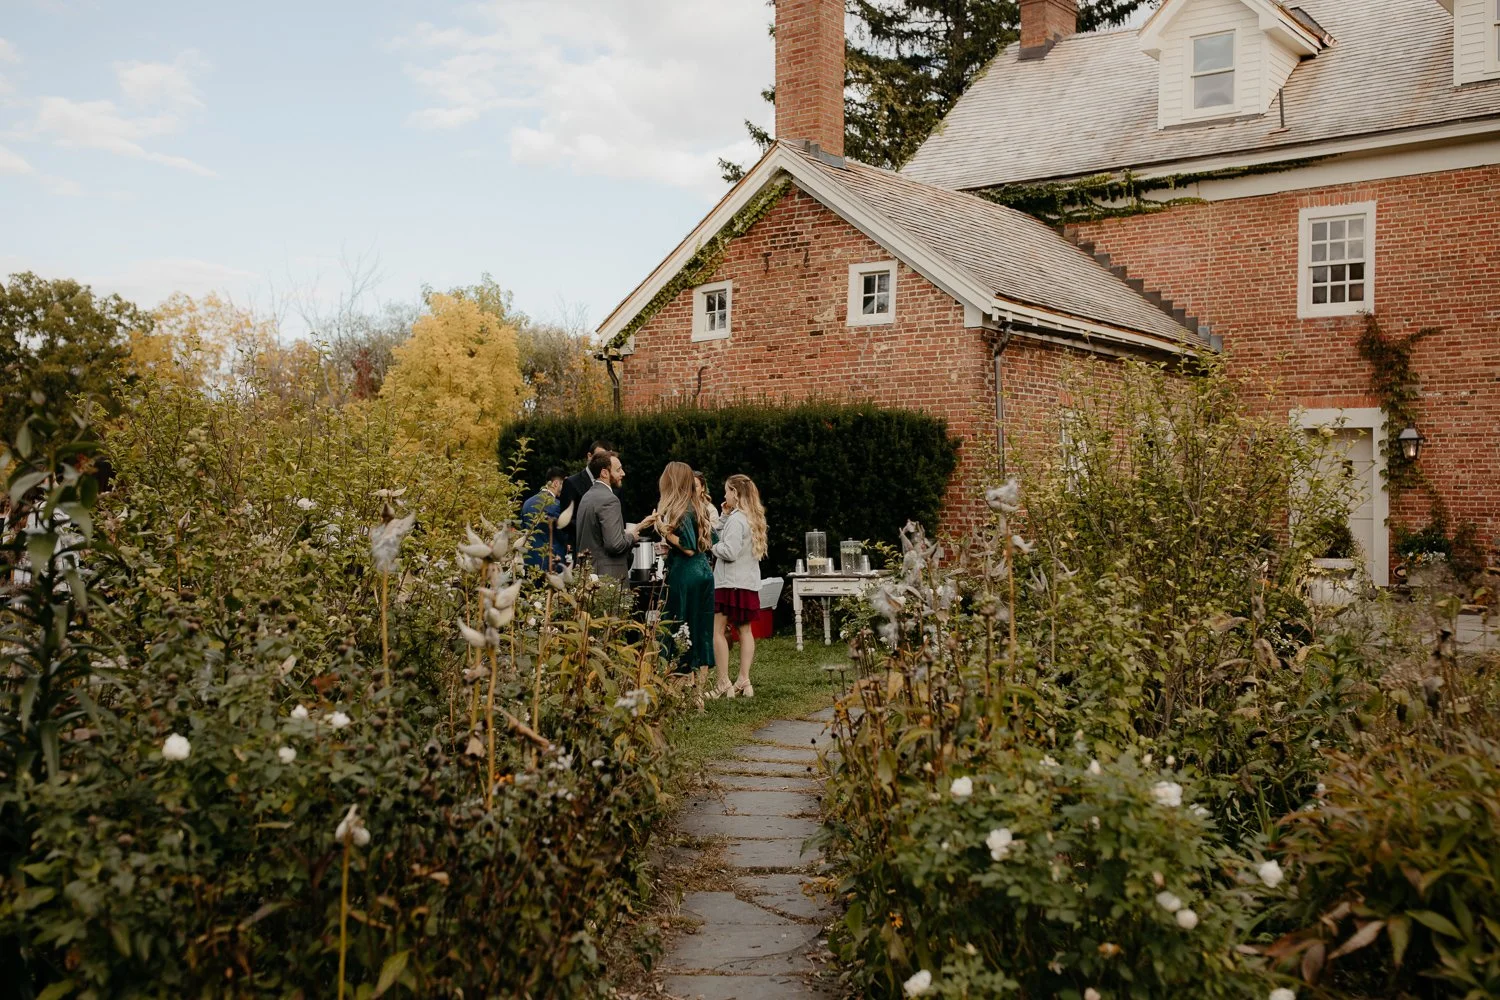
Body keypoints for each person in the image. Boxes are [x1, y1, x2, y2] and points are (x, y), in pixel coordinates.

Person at [652, 462, 716, 682]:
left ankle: (677, 680)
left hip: (686, 574)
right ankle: (697, 690)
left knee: (678, 624)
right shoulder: (696, 505)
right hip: (703, 572)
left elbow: (688, 547)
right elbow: (709, 540)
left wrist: (664, 531)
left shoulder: (681, 509)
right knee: (701, 628)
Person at [711, 474, 768, 698]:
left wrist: (711, 547)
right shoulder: (750, 517)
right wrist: (724, 516)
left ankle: (723, 682)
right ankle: (744, 679)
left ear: (735, 493)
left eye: (727, 491)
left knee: (717, 631)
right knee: (745, 631)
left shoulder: (737, 520)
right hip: (747, 583)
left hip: (729, 583)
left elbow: (729, 551)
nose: (724, 496)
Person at [574, 451, 639, 580]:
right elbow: (614, 545)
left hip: (588, 576)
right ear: (604, 473)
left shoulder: (587, 497)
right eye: (618, 469)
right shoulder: (610, 500)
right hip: (606, 579)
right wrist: (632, 537)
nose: (623, 473)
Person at [556, 439, 614, 550]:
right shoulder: (572, 483)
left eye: (606, 459)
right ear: (589, 456)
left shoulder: (614, 484)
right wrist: (594, 528)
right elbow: (566, 520)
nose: (602, 463)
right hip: (582, 548)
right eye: (599, 457)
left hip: (609, 549)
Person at [520, 466, 568, 571]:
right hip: (551, 561)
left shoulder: (527, 503)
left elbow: (523, 529)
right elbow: (562, 534)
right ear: (556, 483)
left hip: (529, 561)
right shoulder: (557, 505)